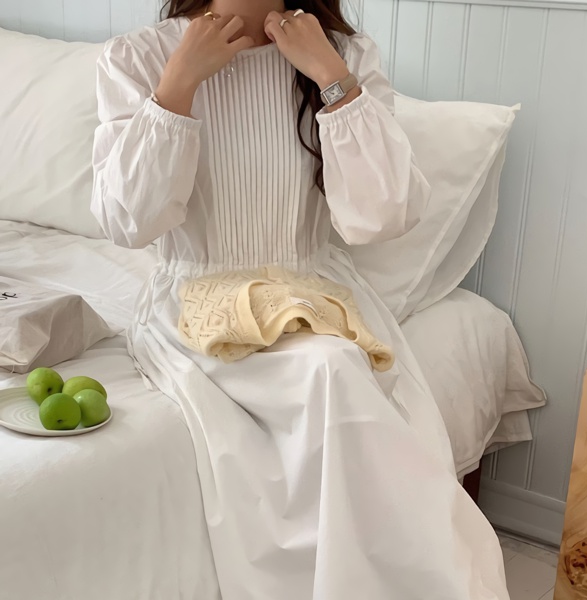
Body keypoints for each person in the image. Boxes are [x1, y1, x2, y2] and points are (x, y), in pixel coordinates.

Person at [91, 1, 510, 598]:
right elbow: (128, 222)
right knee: (330, 371)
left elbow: (382, 215)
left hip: (313, 294)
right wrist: (178, 83)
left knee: (332, 367)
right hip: (198, 300)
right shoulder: (138, 56)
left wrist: (329, 75)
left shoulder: (344, 52)